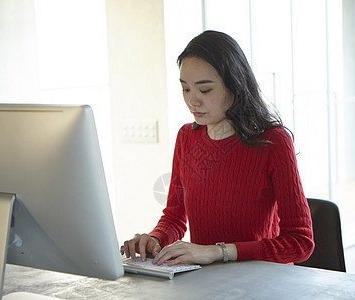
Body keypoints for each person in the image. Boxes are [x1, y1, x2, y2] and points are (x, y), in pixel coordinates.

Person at [121, 30, 314, 266]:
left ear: (235, 87)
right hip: (209, 281)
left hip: (263, 281)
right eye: (185, 88)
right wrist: (153, 239)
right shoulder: (186, 137)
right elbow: (174, 217)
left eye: (205, 90)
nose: (193, 100)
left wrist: (217, 252)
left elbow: (300, 243)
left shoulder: (273, 141)